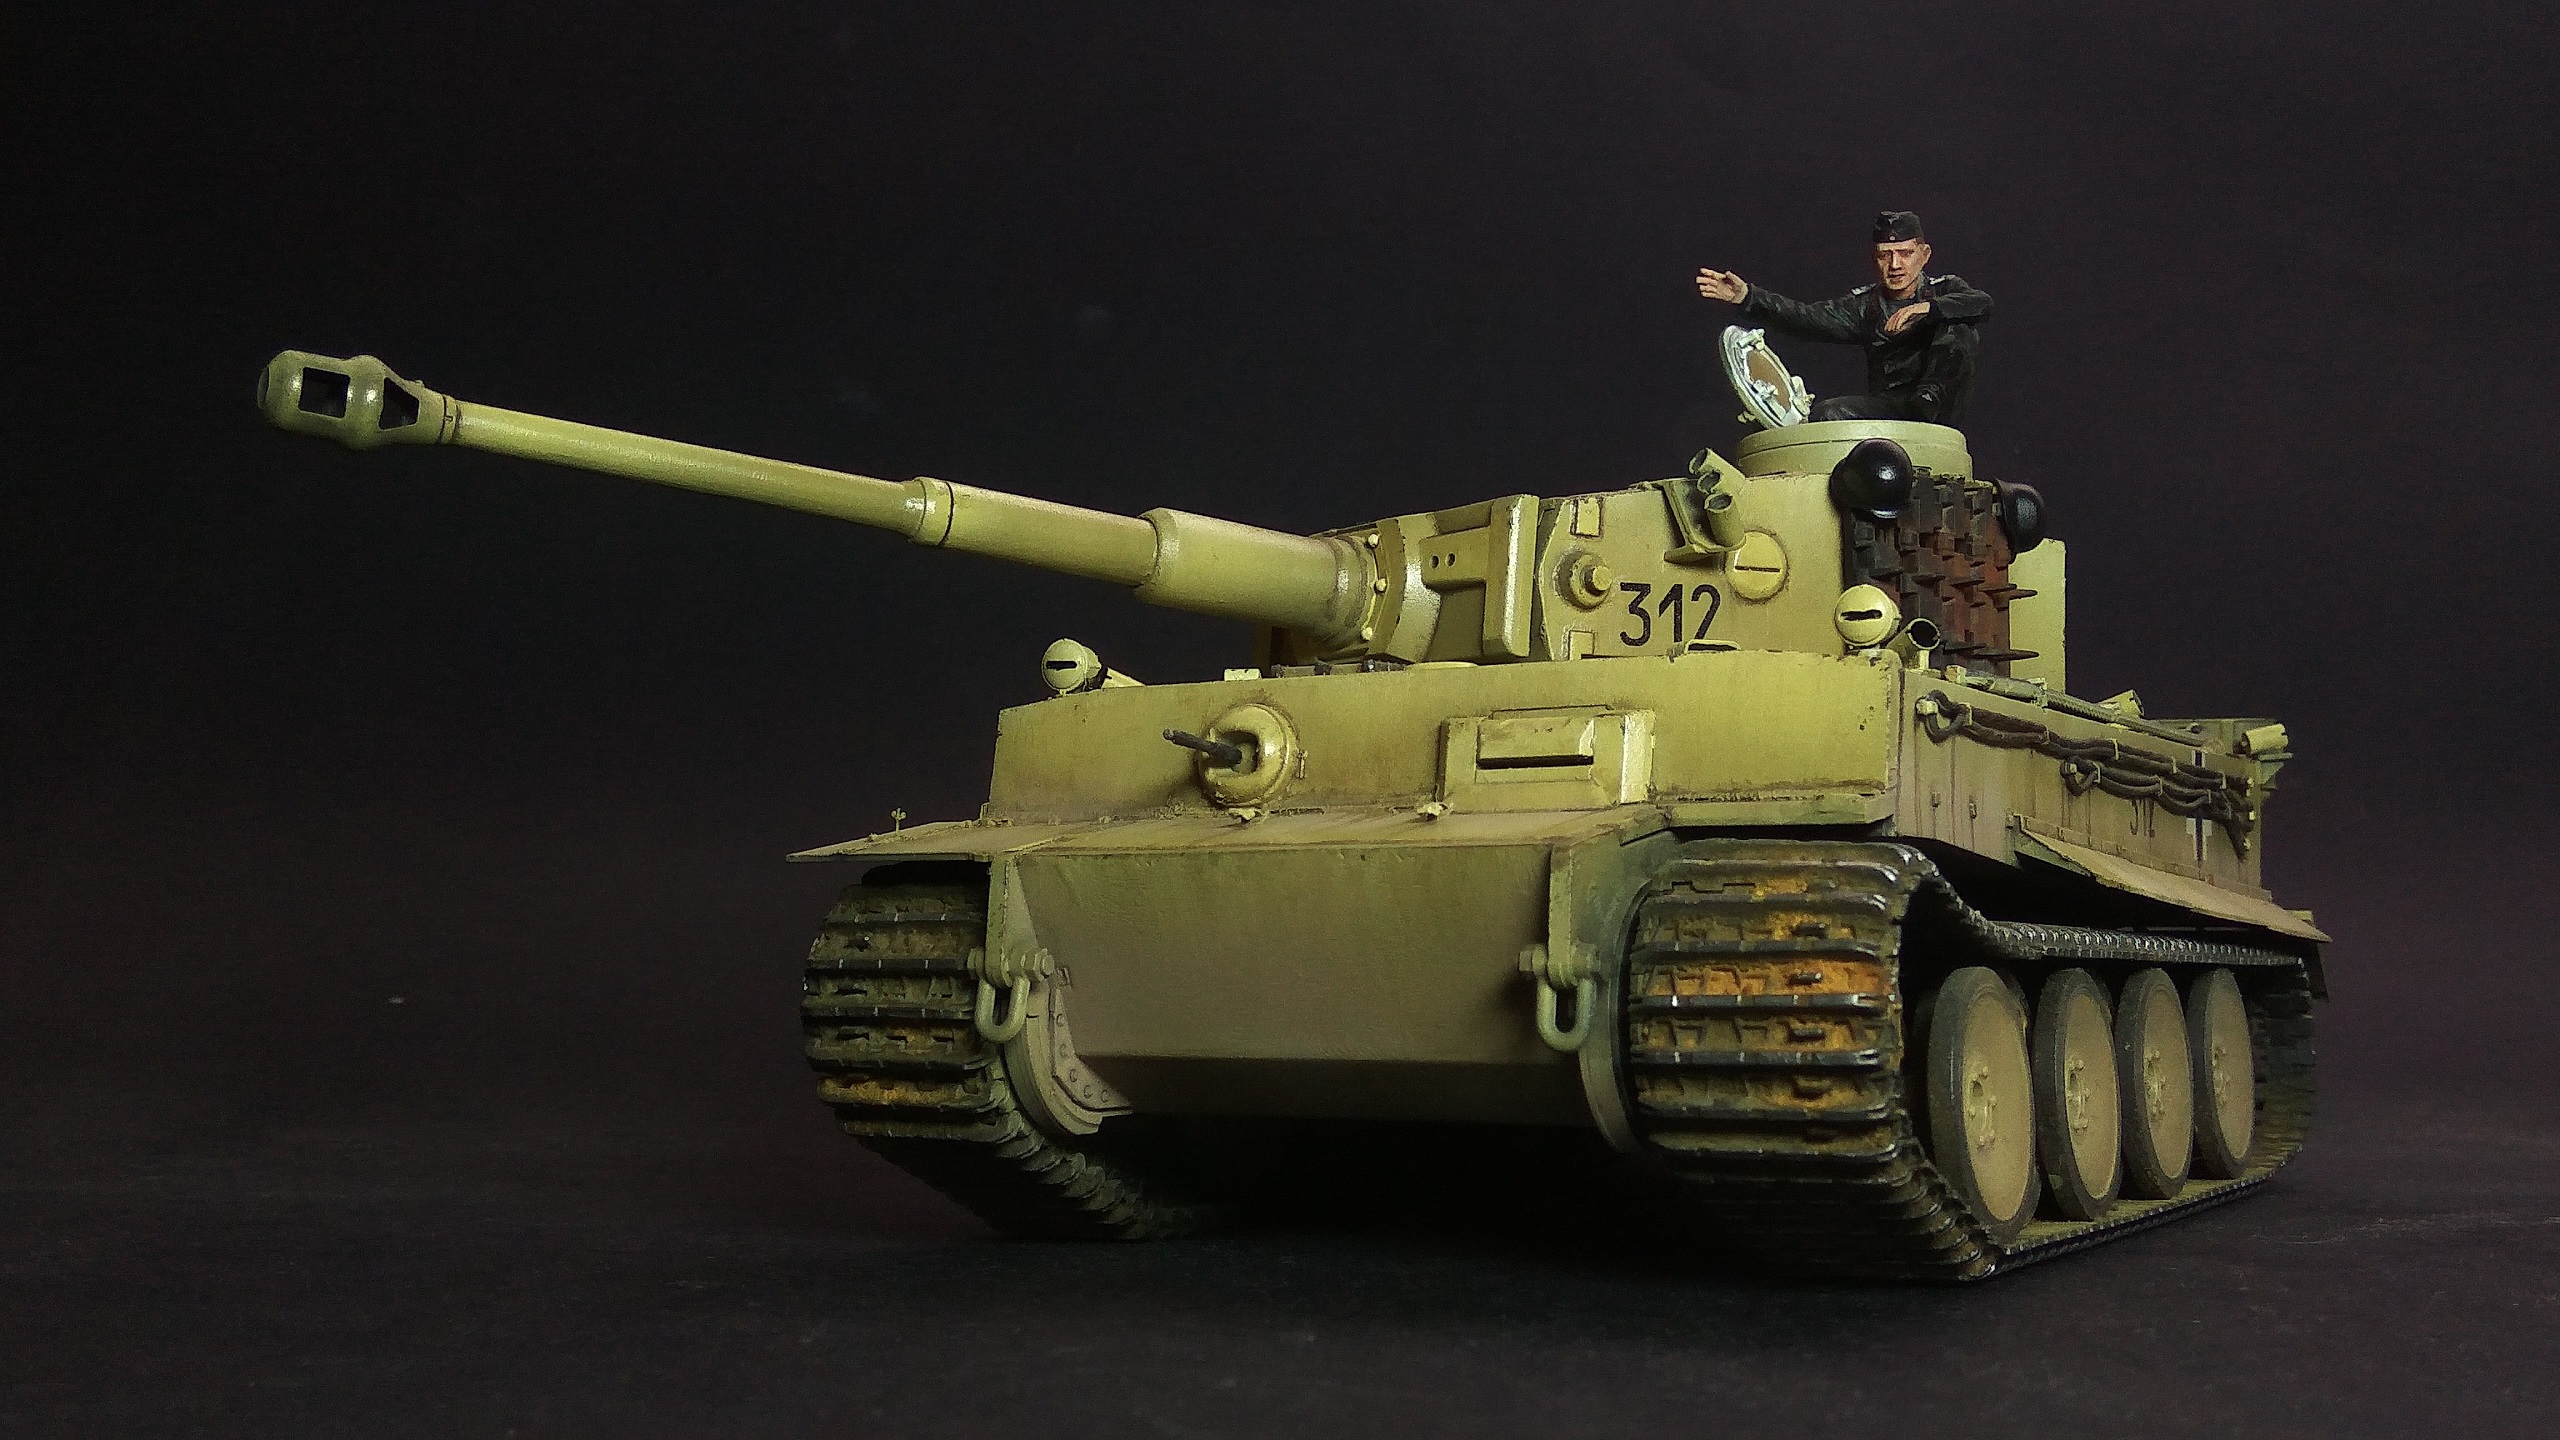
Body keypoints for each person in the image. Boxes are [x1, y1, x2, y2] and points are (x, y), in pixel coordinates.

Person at [1696, 211, 1991, 424]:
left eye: (1905, 253)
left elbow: (1982, 303)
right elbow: (1806, 318)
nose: (1895, 265)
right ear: (1874, 259)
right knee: (1826, 414)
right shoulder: (1864, 306)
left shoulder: (1946, 290)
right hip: (1892, 409)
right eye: (1885, 255)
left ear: (1924, 255)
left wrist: (1926, 309)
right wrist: (1748, 296)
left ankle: (1929, 397)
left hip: (1940, 408)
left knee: (1959, 320)